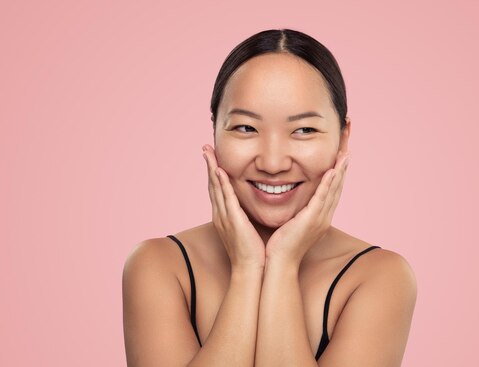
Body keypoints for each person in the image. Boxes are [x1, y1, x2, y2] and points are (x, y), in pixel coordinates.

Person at [122, 28, 417, 367]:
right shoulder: (158, 265)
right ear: (215, 130)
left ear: (342, 137)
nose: (272, 163)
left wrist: (283, 263)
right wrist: (247, 268)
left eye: (304, 130)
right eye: (246, 128)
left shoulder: (379, 277)